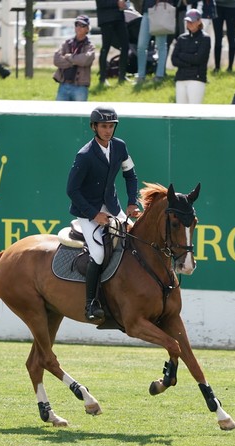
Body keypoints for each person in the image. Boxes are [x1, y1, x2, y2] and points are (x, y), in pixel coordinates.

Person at [66, 106, 141, 321]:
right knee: (98, 254)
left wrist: (131, 202)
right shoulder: (85, 155)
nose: (108, 130)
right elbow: (72, 190)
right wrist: (93, 214)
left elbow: (131, 175)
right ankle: (91, 304)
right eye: (103, 126)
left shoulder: (120, 147)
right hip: (87, 211)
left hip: (112, 206)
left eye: (111, 126)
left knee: (133, 241)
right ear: (94, 127)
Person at [171, 9, 211, 104]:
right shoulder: (181, 38)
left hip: (196, 78)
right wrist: (191, 61)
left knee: (194, 111)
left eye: (192, 21)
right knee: (180, 112)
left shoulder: (205, 38)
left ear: (199, 21)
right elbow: (174, 60)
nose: (190, 24)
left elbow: (199, 59)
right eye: (188, 21)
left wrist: (182, 55)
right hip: (181, 78)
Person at [54, 15, 95, 101]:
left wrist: (69, 57)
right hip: (64, 85)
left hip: (80, 87)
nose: (79, 27)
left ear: (87, 29)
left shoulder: (90, 46)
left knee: (80, 114)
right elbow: (56, 59)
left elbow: (85, 60)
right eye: (77, 24)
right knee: (58, 113)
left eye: (82, 25)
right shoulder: (67, 43)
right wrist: (75, 61)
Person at [136, 0, 173, 84]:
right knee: (141, 46)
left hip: (160, 10)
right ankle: (141, 76)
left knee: (161, 45)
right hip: (147, 11)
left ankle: (159, 75)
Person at [96, 0, 129, 85]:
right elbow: (101, 3)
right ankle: (102, 78)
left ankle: (122, 76)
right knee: (105, 48)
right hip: (106, 19)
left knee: (125, 46)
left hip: (119, 17)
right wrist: (117, 3)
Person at [213, 0, 235, 72]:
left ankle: (230, 67)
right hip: (217, 6)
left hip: (232, 6)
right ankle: (217, 67)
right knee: (218, 37)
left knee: (231, 36)